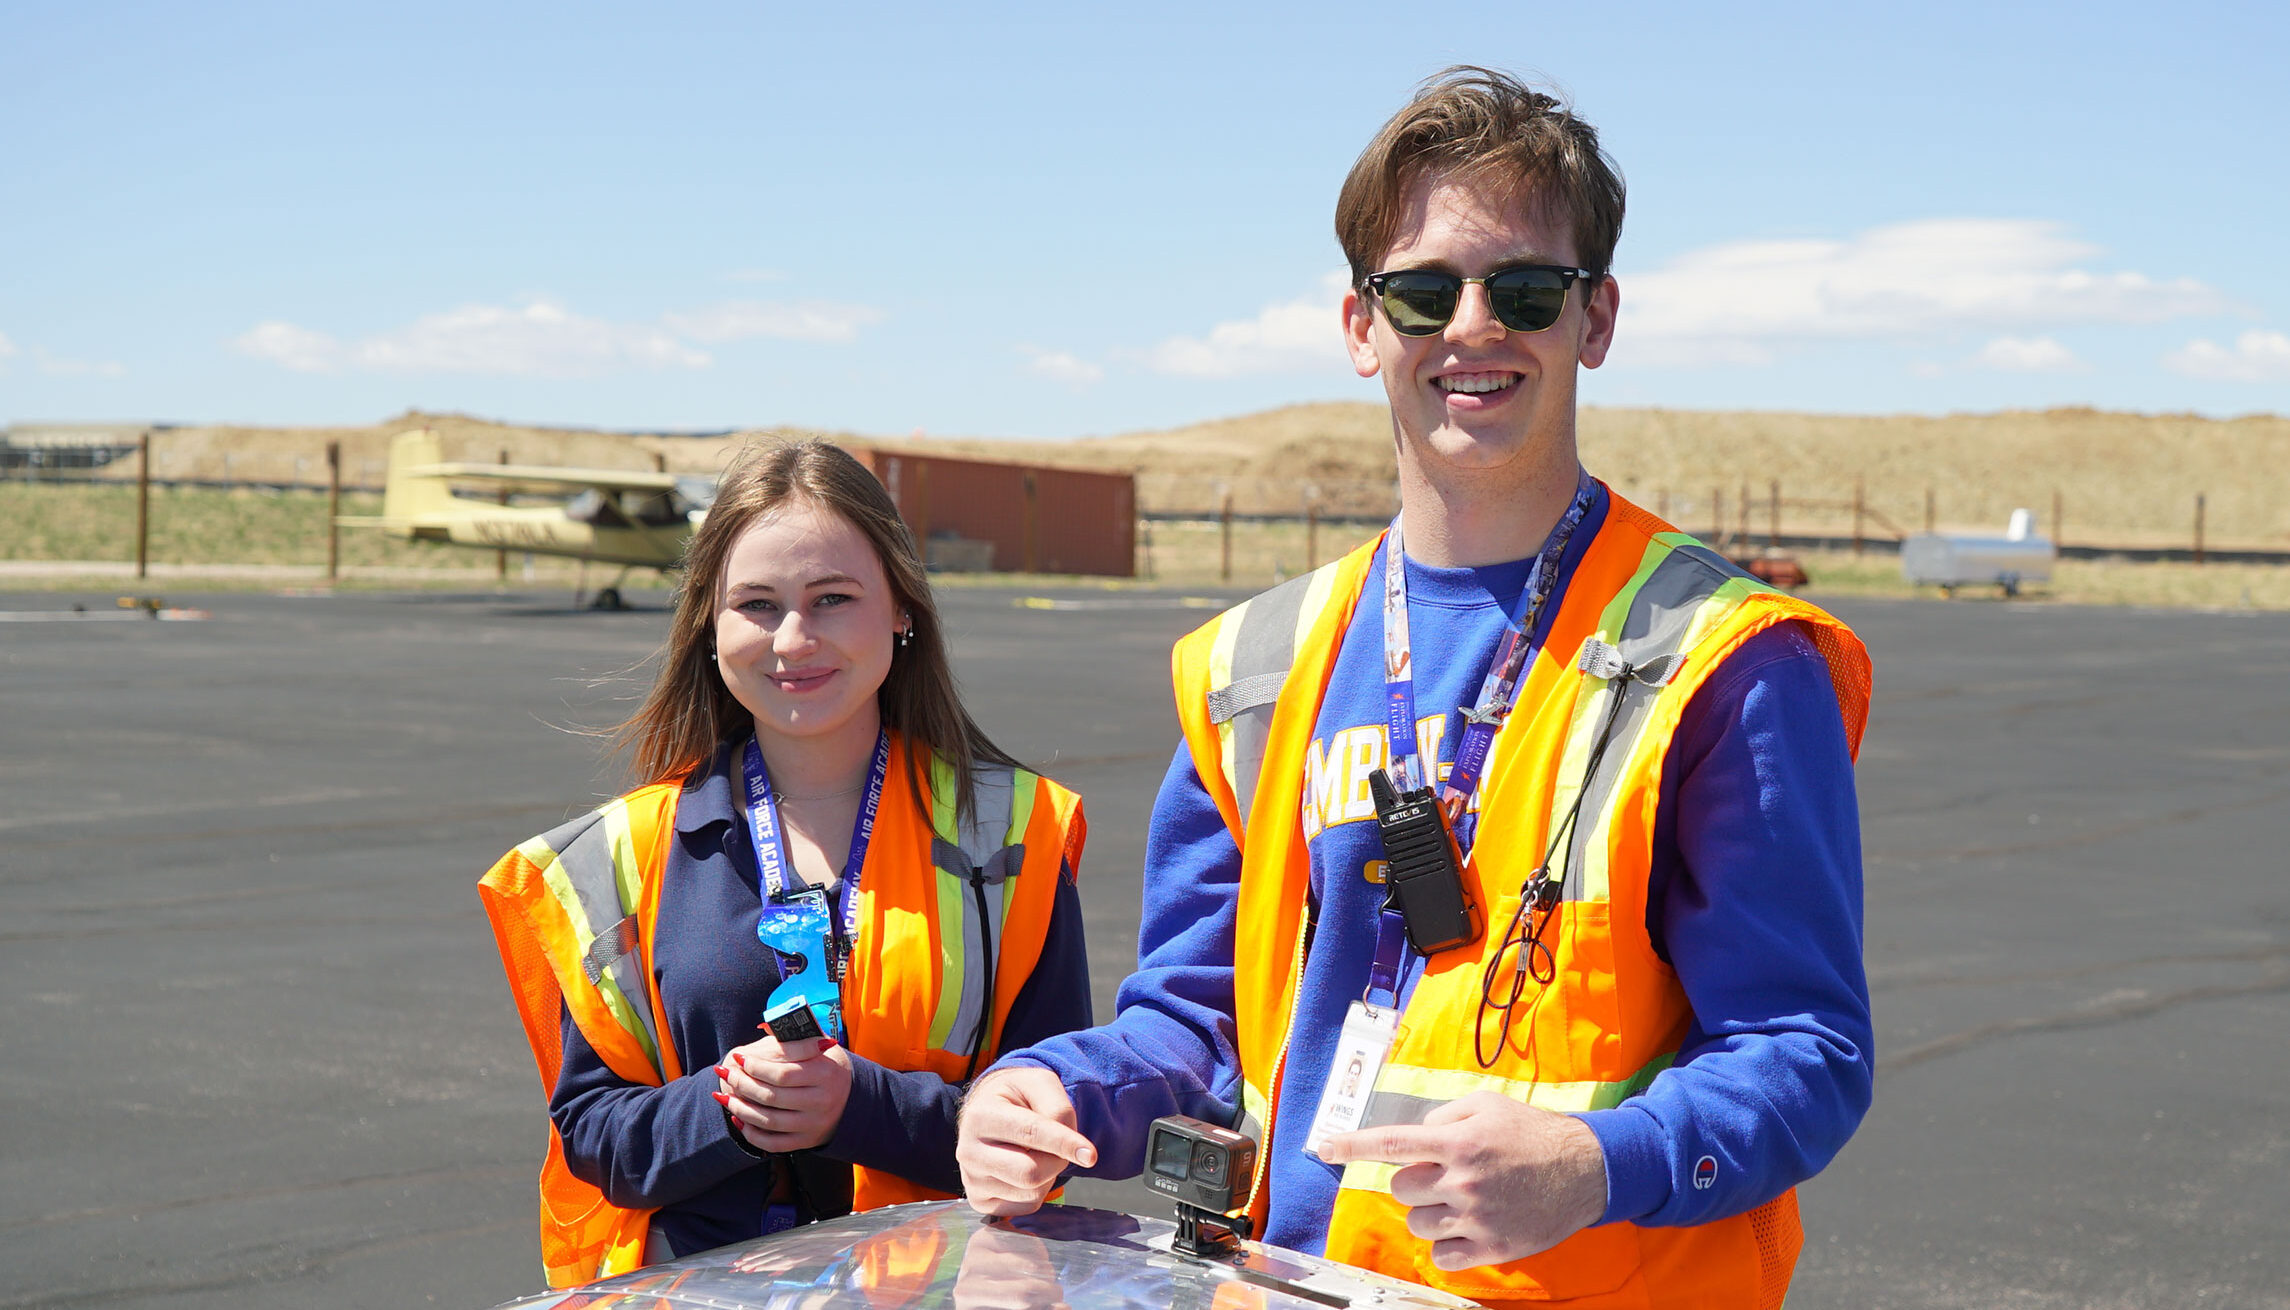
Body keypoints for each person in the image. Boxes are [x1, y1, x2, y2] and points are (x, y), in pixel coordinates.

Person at [957, 67, 1874, 1310]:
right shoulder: (1253, 669)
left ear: (1595, 319)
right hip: (1289, 1282)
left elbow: (1801, 1052)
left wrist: (1599, 1161)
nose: (1473, 327)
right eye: (1424, 291)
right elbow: (1198, 1020)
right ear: (1361, 326)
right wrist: (1050, 1090)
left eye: (1526, 289)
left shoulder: (1721, 657)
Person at [480, 439, 1091, 1288]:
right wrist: (732, 1108)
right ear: (710, 624)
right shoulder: (620, 855)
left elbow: (1050, 1126)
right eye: (757, 605)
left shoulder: (1012, 833)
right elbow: (593, 1135)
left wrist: (862, 1106)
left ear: (902, 609)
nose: (794, 639)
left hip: (938, 1289)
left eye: (833, 598)